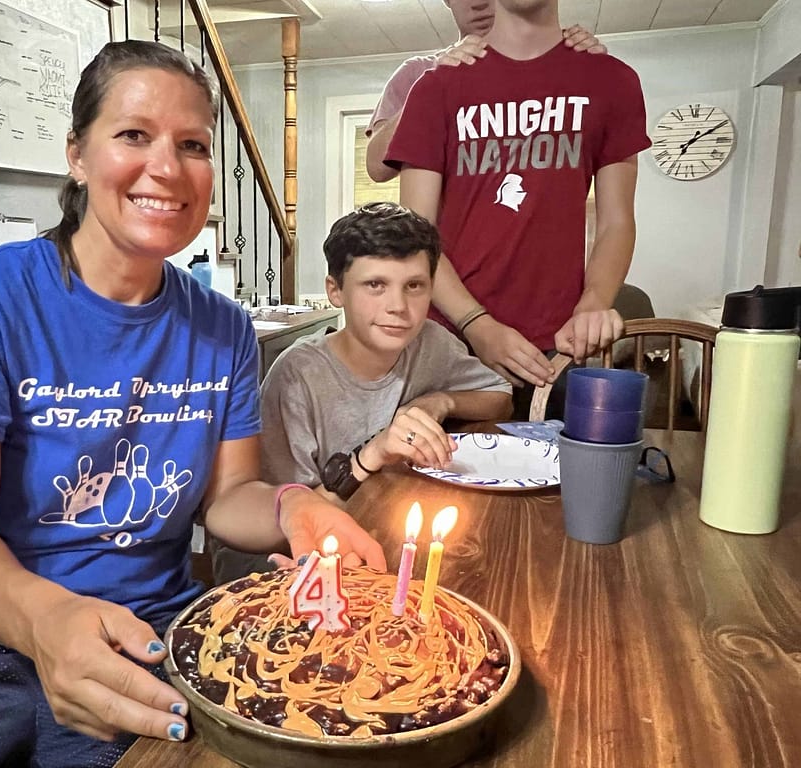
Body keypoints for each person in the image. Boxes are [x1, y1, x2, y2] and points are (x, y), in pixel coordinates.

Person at [0, 41, 385, 768]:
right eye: (133, 135)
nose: (166, 167)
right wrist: (47, 621)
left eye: (192, 145)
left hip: (147, 638)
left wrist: (294, 505)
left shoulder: (221, 326)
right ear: (77, 154)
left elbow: (227, 497)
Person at [212, 203, 511, 582]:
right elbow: (294, 520)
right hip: (284, 569)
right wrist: (373, 453)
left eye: (414, 286)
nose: (399, 307)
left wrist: (439, 401)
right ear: (335, 291)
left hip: (378, 540)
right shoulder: (297, 377)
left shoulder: (431, 343)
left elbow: (499, 395)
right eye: (375, 285)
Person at [387, 0, 650, 417]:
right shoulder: (435, 87)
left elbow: (616, 220)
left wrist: (594, 303)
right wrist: (478, 324)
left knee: (563, 481)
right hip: (449, 344)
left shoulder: (612, 81)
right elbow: (417, 235)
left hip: (558, 346)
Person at [365, 0, 607, 184]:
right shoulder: (419, 72)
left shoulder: (554, 67)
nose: (479, 3)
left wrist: (583, 65)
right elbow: (377, 167)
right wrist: (431, 85)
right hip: (443, 245)